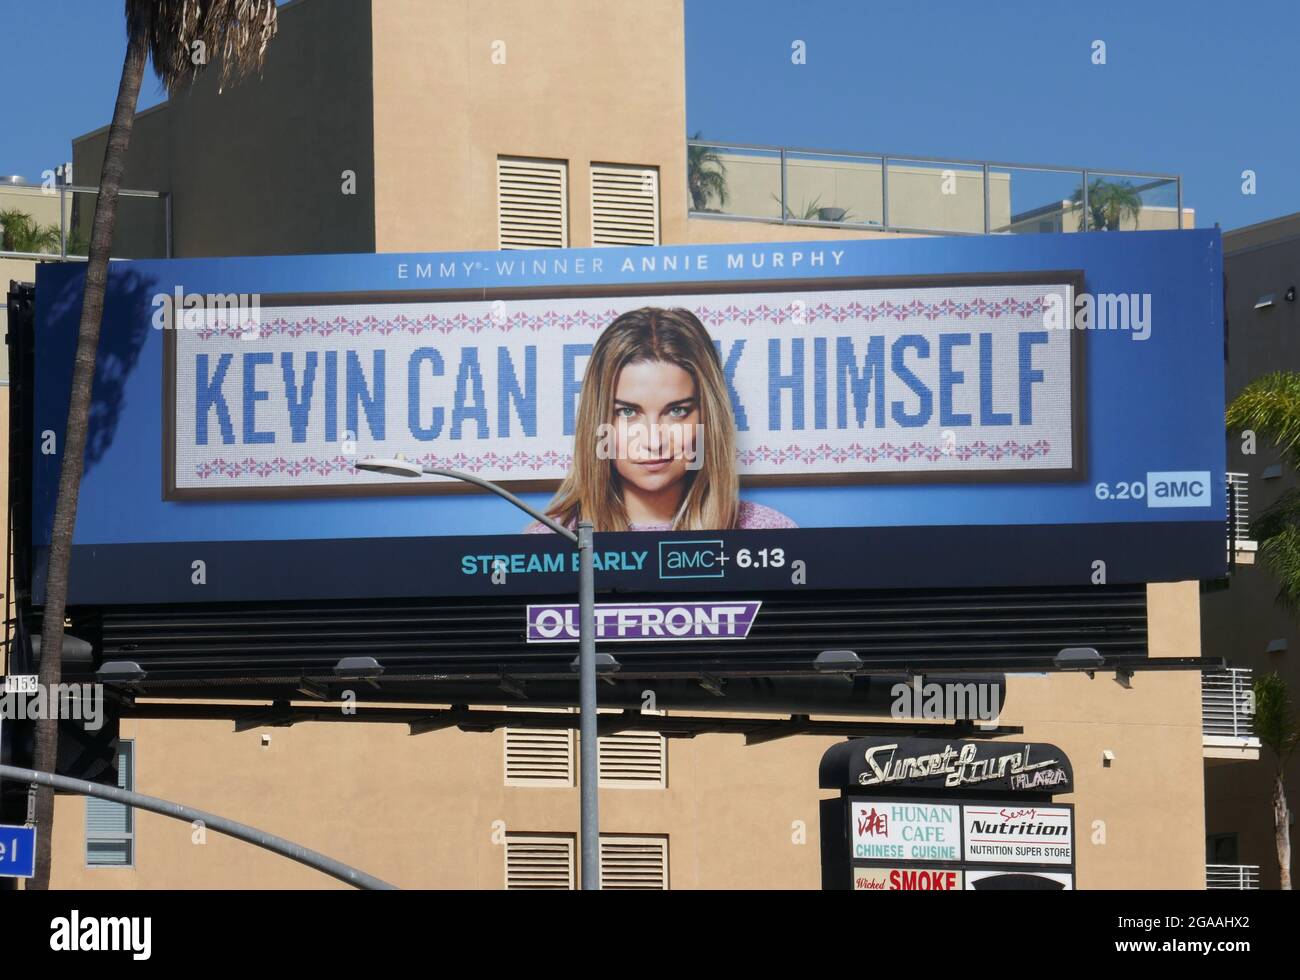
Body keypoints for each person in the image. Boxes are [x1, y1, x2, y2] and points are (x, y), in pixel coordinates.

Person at [526, 306, 796, 533]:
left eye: (676, 411)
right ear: (598, 422)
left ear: (708, 420)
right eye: (627, 412)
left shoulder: (769, 534)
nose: (654, 441)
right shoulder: (547, 543)